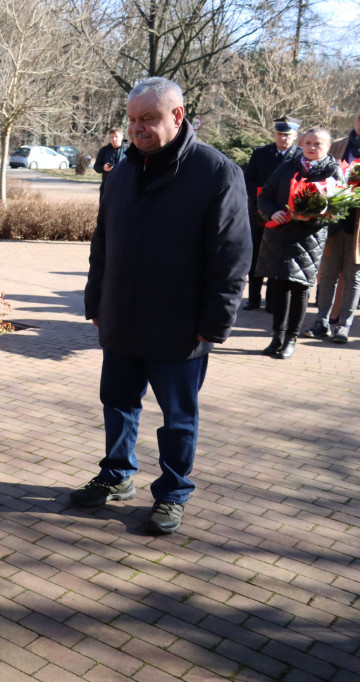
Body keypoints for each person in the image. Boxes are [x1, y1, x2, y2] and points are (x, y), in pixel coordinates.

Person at [78, 77, 251, 535]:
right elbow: (103, 241)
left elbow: (231, 256)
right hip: (121, 314)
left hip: (180, 324)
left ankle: (173, 493)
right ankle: (117, 476)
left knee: (177, 418)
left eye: (148, 119)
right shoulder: (121, 171)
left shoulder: (217, 173)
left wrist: (214, 323)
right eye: (132, 119)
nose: (137, 128)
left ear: (177, 115)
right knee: (117, 402)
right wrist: (95, 298)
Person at [257, 127, 343, 359]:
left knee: (300, 287)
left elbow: (338, 211)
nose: (312, 148)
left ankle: (291, 339)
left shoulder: (332, 171)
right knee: (279, 286)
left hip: (309, 239)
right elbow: (265, 195)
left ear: (328, 147)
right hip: (280, 235)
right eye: (308, 143)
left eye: (318, 144)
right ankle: (277, 336)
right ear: (301, 144)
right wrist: (272, 213)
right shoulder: (288, 166)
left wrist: (312, 218)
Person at [302, 107, 360, 344]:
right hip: (332, 221)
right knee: (327, 274)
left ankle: (344, 326)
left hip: (358, 228)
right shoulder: (337, 146)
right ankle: (321, 322)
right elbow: (316, 172)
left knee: (353, 277)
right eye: (359, 117)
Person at [242, 116, 302, 310]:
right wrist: (259, 198)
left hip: (286, 214)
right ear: (274, 134)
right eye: (279, 134)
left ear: (294, 135)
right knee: (257, 254)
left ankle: (271, 301)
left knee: (277, 256)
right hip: (260, 212)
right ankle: (253, 298)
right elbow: (248, 180)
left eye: (287, 135)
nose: (283, 138)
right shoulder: (261, 153)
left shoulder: (299, 156)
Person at [93, 128, 128, 197]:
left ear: (122, 137)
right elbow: (96, 167)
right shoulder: (104, 150)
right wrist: (104, 168)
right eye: (112, 137)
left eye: (116, 137)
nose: (114, 139)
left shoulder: (129, 151)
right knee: (106, 207)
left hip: (124, 186)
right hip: (107, 186)